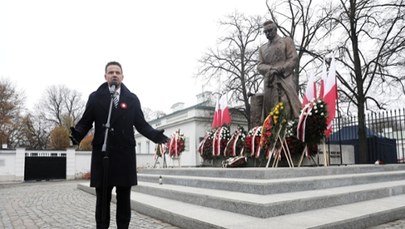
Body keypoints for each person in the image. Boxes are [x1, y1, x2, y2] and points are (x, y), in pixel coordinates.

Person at [70, 61, 169, 229]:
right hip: (103, 155)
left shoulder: (132, 99)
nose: (114, 74)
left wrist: (155, 135)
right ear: (105, 76)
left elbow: (141, 124)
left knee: (124, 199)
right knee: (102, 199)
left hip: (124, 155)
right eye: (110, 72)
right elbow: (86, 121)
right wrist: (77, 135)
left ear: (122, 76)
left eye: (117, 72)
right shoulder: (95, 98)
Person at [256, 20, 301, 122]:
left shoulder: (286, 41)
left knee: (286, 105)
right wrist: (271, 69)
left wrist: (282, 68)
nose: (268, 33)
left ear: (275, 29)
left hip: (285, 78)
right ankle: (271, 133)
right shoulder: (262, 49)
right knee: (270, 110)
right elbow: (260, 66)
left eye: (270, 30)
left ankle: (289, 129)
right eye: (265, 32)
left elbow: (293, 58)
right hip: (270, 81)